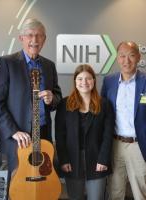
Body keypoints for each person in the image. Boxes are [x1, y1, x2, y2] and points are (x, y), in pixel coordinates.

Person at [0, 18, 62, 182]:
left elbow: (57, 95)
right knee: (17, 187)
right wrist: (13, 131)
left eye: (39, 36)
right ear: (21, 38)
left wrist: (52, 99)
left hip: (43, 135)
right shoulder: (7, 63)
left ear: (44, 39)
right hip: (17, 138)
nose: (34, 40)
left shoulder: (49, 66)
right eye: (30, 35)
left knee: (41, 184)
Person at [101, 41, 146, 200]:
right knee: (114, 191)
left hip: (140, 146)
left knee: (141, 193)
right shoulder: (109, 82)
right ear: (117, 59)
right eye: (122, 56)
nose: (127, 60)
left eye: (131, 55)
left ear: (138, 57)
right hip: (115, 145)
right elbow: (103, 114)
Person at [55, 64, 114, 200]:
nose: (84, 82)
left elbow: (107, 135)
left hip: (97, 160)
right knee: (75, 197)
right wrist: (63, 160)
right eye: (80, 79)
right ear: (75, 81)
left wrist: (103, 159)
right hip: (72, 161)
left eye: (88, 78)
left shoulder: (104, 105)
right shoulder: (64, 105)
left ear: (94, 80)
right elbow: (60, 135)